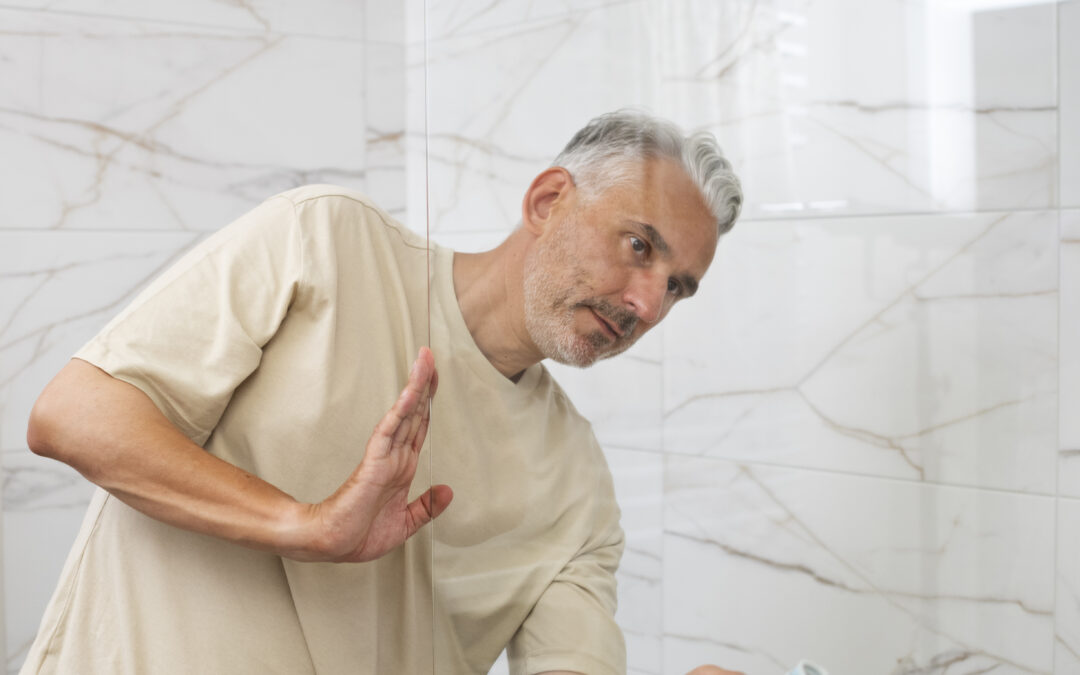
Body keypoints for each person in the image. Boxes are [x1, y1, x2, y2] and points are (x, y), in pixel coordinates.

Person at [22, 110, 743, 675]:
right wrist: (305, 526)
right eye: (639, 246)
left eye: (678, 286)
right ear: (548, 200)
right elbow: (73, 414)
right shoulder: (326, 243)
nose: (648, 305)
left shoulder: (582, 489)